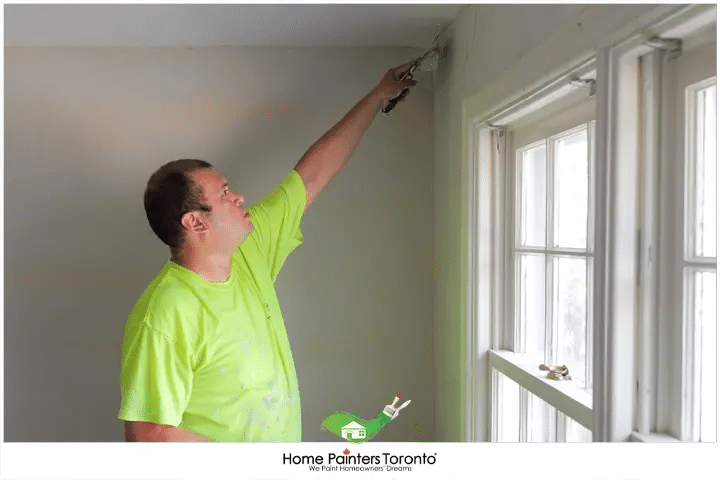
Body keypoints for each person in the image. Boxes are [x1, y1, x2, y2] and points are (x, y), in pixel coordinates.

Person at [117, 62, 417, 442]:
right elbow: (148, 435)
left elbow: (312, 175)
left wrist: (378, 96)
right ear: (195, 223)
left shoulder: (249, 251)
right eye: (223, 193)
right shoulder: (167, 312)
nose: (238, 196)